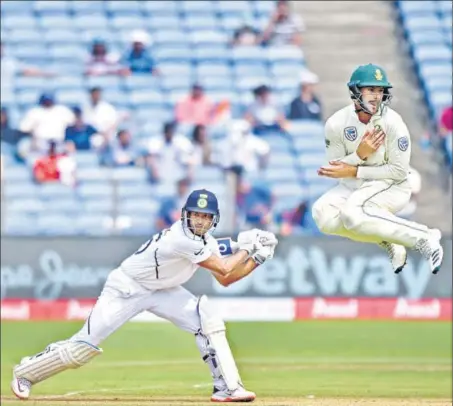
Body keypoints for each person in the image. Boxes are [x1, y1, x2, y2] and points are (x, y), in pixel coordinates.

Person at [11, 189, 278, 403]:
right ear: (185, 215)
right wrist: (250, 246)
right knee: (82, 348)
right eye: (196, 215)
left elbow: (225, 280)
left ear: (213, 220)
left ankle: (228, 388)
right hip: (127, 288)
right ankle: (25, 373)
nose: (200, 220)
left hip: (163, 290)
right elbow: (224, 267)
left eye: (206, 217)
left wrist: (257, 257)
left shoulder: (205, 241)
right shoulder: (180, 238)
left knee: (207, 320)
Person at [311, 63, 444, 275]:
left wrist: (356, 170)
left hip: (392, 186)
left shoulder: (393, 123)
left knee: (352, 214)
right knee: (322, 214)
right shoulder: (336, 123)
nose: (376, 96)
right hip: (354, 185)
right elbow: (335, 169)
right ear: (355, 91)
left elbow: (399, 172)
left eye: (380, 90)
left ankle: (426, 237)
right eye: (370, 89)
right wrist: (359, 155)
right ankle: (390, 241)